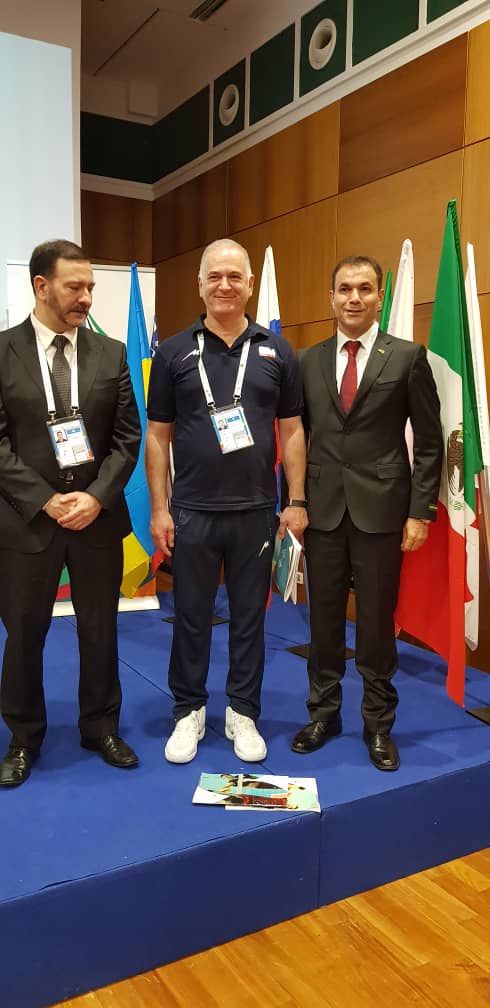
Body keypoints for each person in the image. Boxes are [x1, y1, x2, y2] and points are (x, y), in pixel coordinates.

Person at [145, 238, 308, 764]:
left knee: (249, 620)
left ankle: (242, 711)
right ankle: (188, 710)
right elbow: (157, 436)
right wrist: (160, 508)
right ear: (200, 284)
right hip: (192, 511)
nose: (224, 285)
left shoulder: (277, 351)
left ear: (250, 284)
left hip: (257, 511)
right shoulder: (173, 352)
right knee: (190, 616)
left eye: (234, 276)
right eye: (214, 276)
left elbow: (292, 430)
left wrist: (296, 500)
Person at [291, 255, 443, 770]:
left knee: (376, 625)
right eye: (344, 289)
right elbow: (296, 438)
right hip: (322, 512)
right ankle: (323, 714)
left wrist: (421, 511)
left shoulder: (407, 357)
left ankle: (378, 724)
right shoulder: (307, 361)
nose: (353, 298)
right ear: (330, 297)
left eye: (364, 289)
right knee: (323, 620)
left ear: (380, 296)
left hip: (383, 512)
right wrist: (295, 501)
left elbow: (429, 441)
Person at [0, 240, 141, 787]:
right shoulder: (3, 351)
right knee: (24, 633)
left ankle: (100, 726)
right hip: (26, 521)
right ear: (41, 286)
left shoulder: (110, 353)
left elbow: (126, 438)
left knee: (100, 630)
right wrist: (44, 498)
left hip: (95, 520)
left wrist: (96, 497)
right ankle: (23, 736)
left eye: (90, 287)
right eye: (74, 286)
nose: (85, 297)